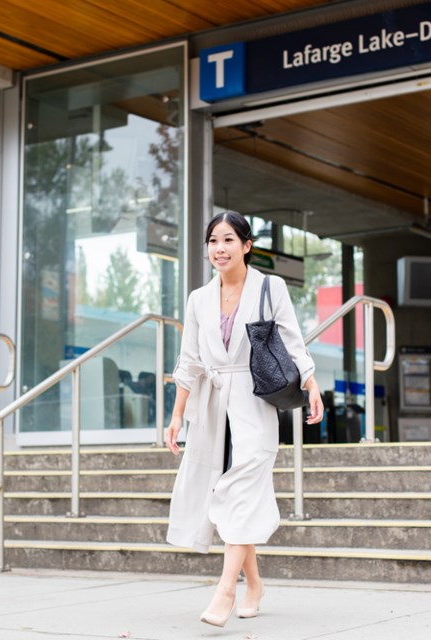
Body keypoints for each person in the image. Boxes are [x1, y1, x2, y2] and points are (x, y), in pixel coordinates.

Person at [165, 210, 324, 627]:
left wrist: (310, 383)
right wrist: (178, 414)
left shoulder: (270, 287)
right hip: (214, 406)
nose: (220, 248)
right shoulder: (198, 299)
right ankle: (254, 584)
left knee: (239, 490)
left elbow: (291, 337)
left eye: (229, 240)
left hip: (254, 404)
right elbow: (190, 360)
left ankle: (225, 591)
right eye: (213, 240)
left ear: (247, 246)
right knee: (234, 496)